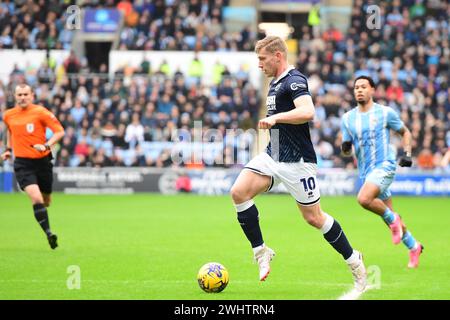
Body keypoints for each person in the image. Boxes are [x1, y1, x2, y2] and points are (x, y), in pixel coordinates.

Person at [230, 36, 367, 292]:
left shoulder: (294, 81)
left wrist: (276, 119)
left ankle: (353, 260)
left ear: (278, 56)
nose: (260, 64)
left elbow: (308, 112)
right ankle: (261, 252)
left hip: (298, 162)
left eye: (262, 58)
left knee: (314, 218)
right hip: (273, 155)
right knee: (238, 192)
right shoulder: (273, 84)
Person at [341, 75, 423, 268]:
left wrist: (408, 154)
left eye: (363, 87)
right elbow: (346, 149)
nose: (359, 90)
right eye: (356, 88)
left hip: (385, 164)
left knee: (364, 199)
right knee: (389, 217)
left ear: (372, 90)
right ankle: (414, 246)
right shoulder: (347, 118)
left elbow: (405, 132)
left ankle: (394, 220)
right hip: (366, 171)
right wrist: (345, 148)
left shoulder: (385, 113)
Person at [1, 84, 65, 249]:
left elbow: (60, 131)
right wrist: (8, 149)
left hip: (43, 162)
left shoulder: (41, 112)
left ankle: (46, 212)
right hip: (23, 164)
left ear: (32, 96)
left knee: (46, 200)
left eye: (25, 94)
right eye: (19, 94)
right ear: (15, 96)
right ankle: (49, 233)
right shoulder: (8, 115)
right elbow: (9, 130)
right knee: (36, 198)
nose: (22, 97)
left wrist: (46, 145)